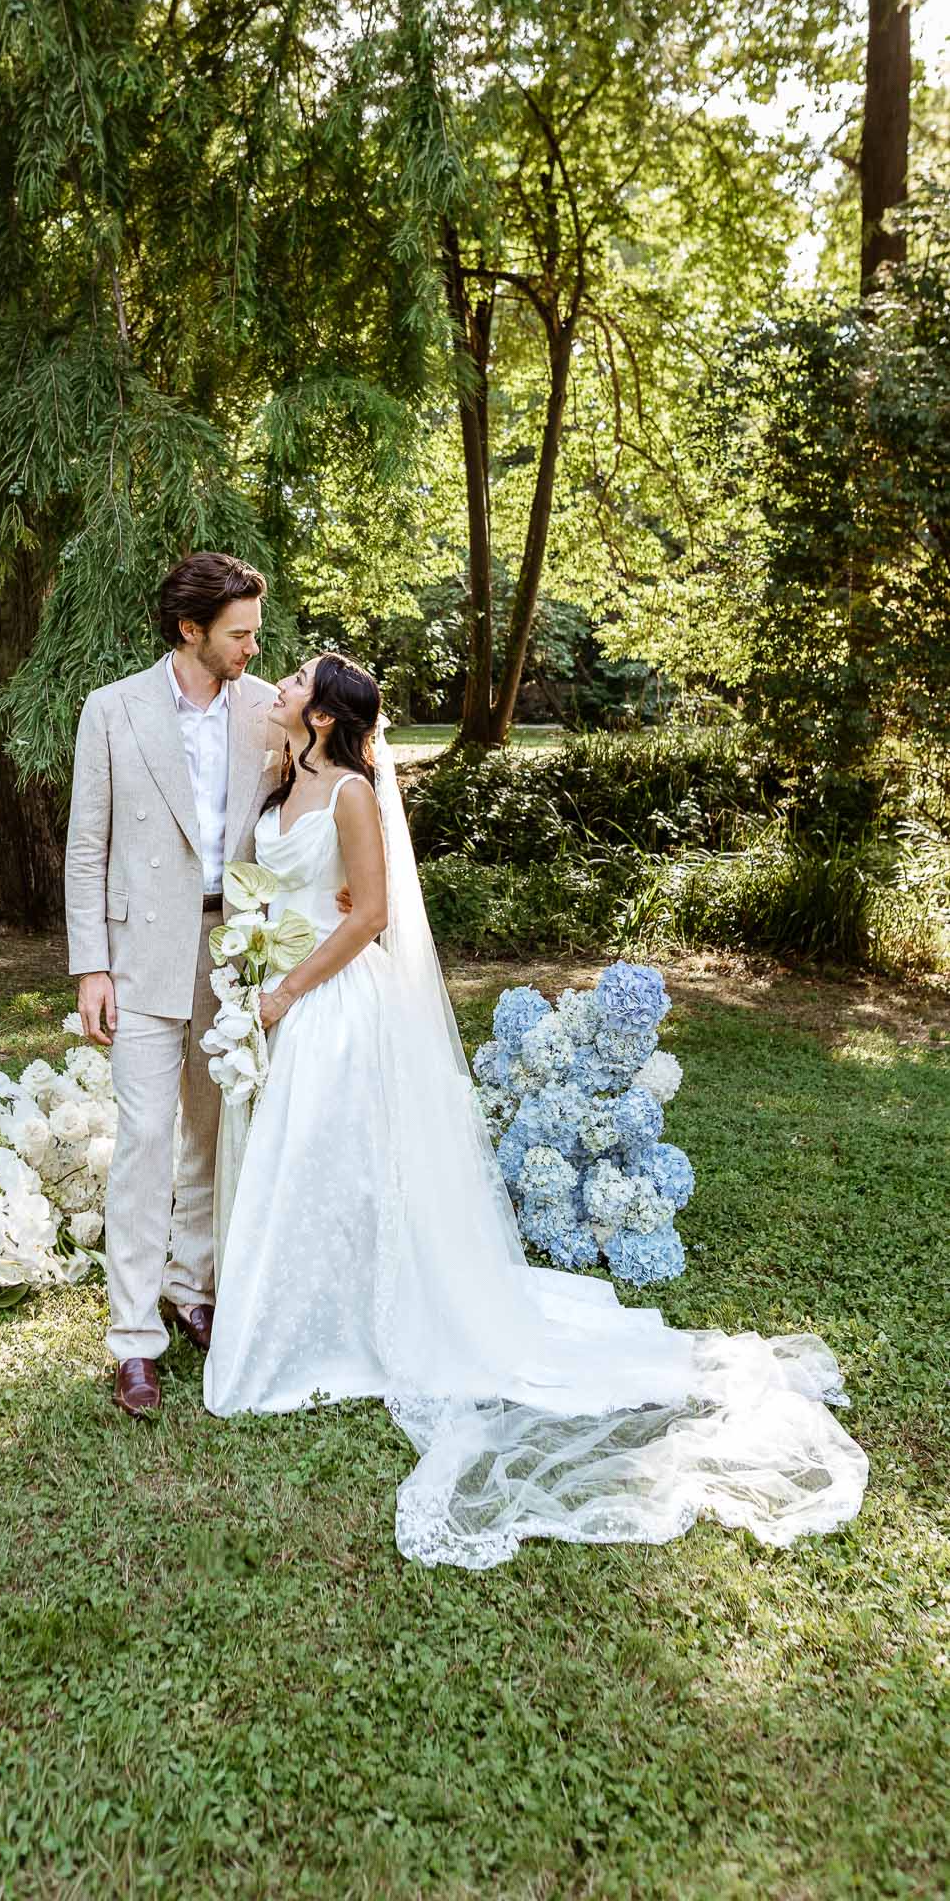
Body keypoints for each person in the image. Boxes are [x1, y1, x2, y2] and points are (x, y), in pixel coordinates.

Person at [202, 653, 868, 1569]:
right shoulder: (279, 784)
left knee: (339, 1156)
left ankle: (356, 1320)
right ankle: (309, 1304)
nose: (277, 686)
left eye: (294, 683)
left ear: (322, 717)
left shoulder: (352, 794)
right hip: (280, 989)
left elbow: (370, 917)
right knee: (307, 1162)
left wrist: (282, 993)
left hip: (327, 1003)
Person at [64, 553, 288, 1417]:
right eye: (238, 632)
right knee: (147, 1137)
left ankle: (192, 1288)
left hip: (234, 949)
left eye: (254, 632)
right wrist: (92, 964)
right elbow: (88, 846)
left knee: (210, 1126)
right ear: (191, 630)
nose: (251, 645)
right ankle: (132, 1341)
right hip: (140, 952)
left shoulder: (267, 707)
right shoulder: (112, 709)